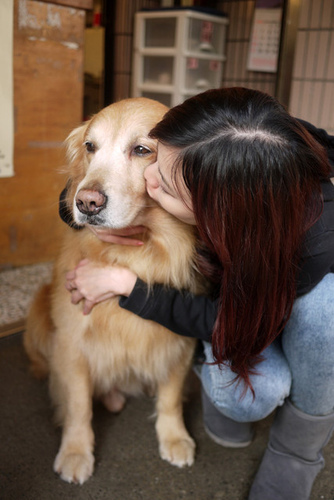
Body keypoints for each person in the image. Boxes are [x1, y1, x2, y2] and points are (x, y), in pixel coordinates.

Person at [63, 87, 334, 499]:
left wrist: (126, 285)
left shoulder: (314, 240)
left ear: (217, 209)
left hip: (255, 312)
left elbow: (225, 320)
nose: (149, 180)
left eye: (164, 183)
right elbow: (85, 187)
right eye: (156, 155)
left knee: (323, 308)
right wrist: (81, 208)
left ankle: (297, 450)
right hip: (231, 297)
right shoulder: (224, 135)